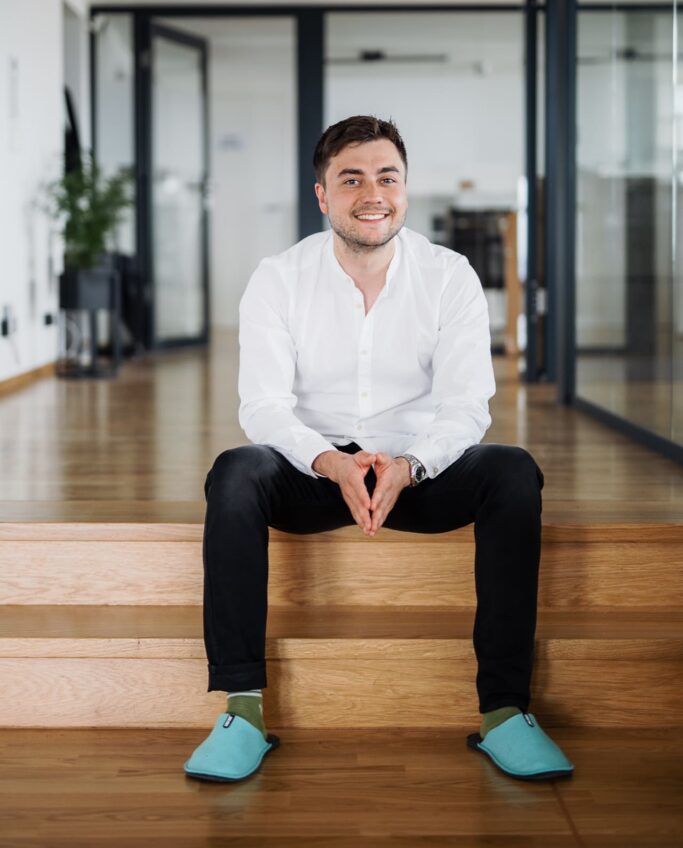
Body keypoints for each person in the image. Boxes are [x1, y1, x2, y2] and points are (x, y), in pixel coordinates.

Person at [184, 115, 574, 784]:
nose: (373, 193)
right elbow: (264, 406)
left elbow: (464, 406)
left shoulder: (447, 276)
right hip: (313, 472)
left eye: (386, 177)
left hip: (417, 474)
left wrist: (409, 465)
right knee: (234, 473)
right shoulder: (278, 278)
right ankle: (241, 708)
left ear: (405, 187)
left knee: (511, 471)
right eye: (351, 178)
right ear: (322, 195)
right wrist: (330, 462)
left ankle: (504, 711)